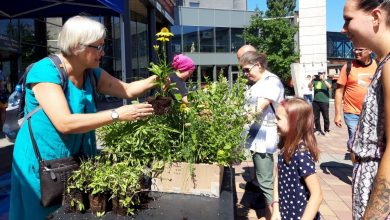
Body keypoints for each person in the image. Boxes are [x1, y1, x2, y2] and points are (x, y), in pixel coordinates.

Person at [9, 15, 159, 220]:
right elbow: (64, 123)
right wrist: (117, 114)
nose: (103, 52)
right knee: (44, 215)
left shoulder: (90, 73)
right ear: (77, 46)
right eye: (97, 46)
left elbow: (128, 90)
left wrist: (163, 77)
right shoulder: (45, 71)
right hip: (43, 163)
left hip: (73, 160)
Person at [342, 0, 390, 219]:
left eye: (348, 20)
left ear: (376, 17)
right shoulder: (384, 63)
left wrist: (374, 215)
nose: (344, 29)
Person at [240, 51, 285, 218]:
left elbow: (261, 106)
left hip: (264, 137)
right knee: (262, 177)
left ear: (258, 65)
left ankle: (275, 215)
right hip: (256, 136)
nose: (245, 74)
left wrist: (233, 120)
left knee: (265, 179)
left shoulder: (271, 82)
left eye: (246, 69)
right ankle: (269, 213)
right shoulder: (259, 82)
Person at [272, 98, 322, 220]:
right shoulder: (285, 148)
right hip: (284, 212)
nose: (274, 121)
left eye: (278, 118)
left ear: (294, 123)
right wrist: (276, 208)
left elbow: (317, 195)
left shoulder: (301, 155)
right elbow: (277, 178)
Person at [334, 47, 376, 154]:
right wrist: (337, 114)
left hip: (373, 113)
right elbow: (339, 91)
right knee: (355, 143)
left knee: (371, 144)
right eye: (354, 49)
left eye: (360, 50)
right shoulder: (348, 67)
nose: (356, 52)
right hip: (352, 113)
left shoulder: (378, 65)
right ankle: (355, 169)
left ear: (370, 50)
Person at [309, 69, 332, 136]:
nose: (320, 74)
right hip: (316, 101)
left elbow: (330, 87)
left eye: (322, 73)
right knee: (316, 117)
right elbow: (309, 87)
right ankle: (318, 130)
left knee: (326, 117)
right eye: (319, 73)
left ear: (324, 74)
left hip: (324, 101)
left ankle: (326, 130)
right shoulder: (316, 81)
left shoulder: (327, 80)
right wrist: (312, 80)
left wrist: (323, 80)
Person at [0, 65, 7, 135]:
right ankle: (2, 128)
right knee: (3, 111)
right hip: (1, 95)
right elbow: (2, 82)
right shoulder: (0, 72)